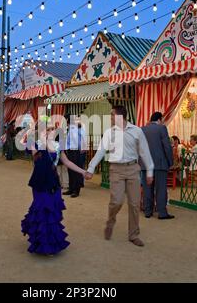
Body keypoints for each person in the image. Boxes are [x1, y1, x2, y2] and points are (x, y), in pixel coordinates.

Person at [85, 106, 154, 247]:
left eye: (112, 115)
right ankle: (110, 221)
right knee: (116, 201)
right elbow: (100, 151)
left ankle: (134, 234)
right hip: (116, 169)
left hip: (133, 169)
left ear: (120, 117)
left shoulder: (137, 131)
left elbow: (144, 152)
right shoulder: (109, 133)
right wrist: (91, 168)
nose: (110, 118)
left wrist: (150, 171)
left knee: (134, 203)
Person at [21, 123, 88, 255]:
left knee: (52, 213)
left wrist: (83, 172)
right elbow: (35, 155)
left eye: (53, 129)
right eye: (48, 129)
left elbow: (67, 162)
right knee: (42, 211)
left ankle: (50, 244)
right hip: (39, 183)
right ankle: (41, 244)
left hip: (53, 183)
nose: (51, 131)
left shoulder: (58, 146)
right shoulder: (36, 144)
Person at [141, 112, 174, 219]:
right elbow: (167, 147)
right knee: (160, 189)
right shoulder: (162, 128)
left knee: (147, 189)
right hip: (160, 164)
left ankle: (148, 211)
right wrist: (170, 162)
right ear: (160, 119)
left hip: (145, 164)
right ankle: (162, 213)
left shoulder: (142, 129)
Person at [63, 115, 87, 198]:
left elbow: (83, 137)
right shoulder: (69, 127)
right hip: (70, 149)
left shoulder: (80, 126)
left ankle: (76, 190)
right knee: (70, 170)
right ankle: (71, 188)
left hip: (77, 150)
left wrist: (83, 148)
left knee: (76, 170)